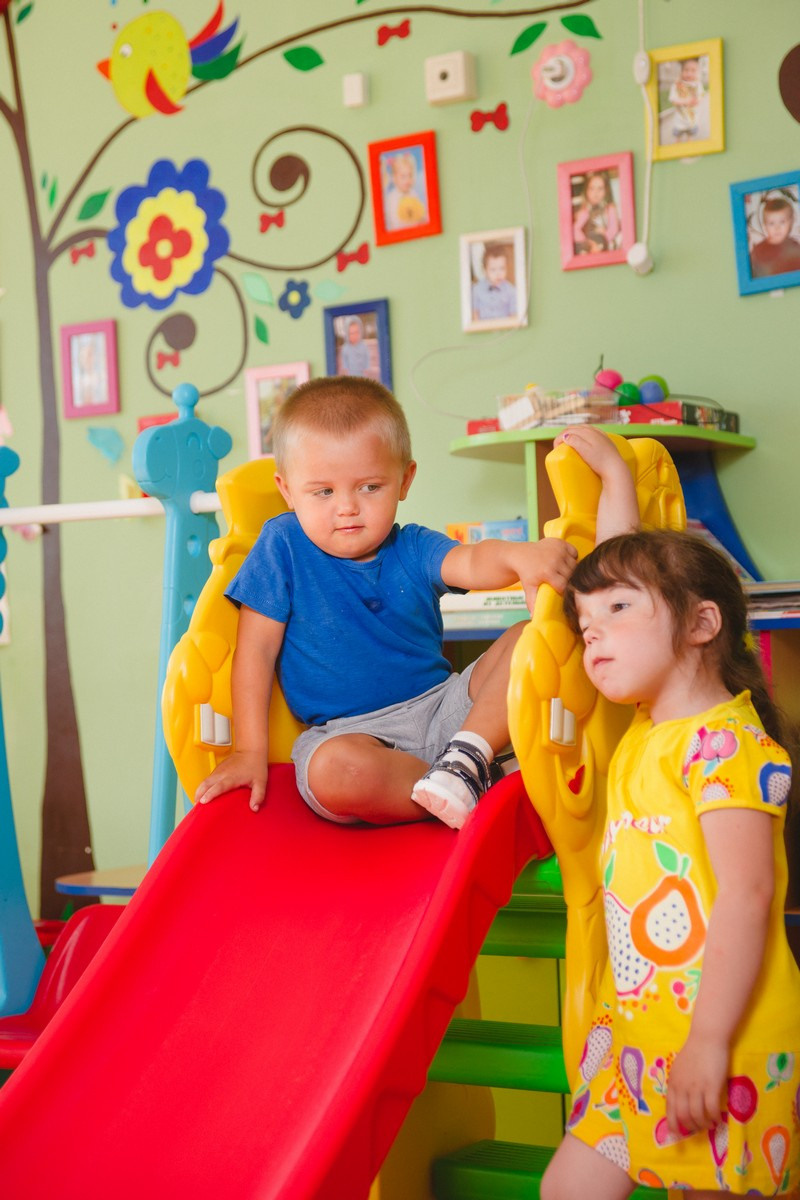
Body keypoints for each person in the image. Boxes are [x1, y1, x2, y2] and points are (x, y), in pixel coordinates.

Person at [194, 383, 635, 832]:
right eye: (323, 492)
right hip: (350, 735)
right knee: (335, 773)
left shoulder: (412, 546)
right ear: (287, 491)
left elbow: (470, 561)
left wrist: (519, 556)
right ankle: (476, 782)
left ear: (404, 480)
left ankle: (469, 759)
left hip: (447, 713)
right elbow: (255, 651)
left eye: (369, 486)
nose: (346, 508)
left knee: (529, 638)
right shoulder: (282, 546)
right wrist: (249, 752)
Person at [541, 528, 800, 1200]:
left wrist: (709, 1042)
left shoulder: (726, 745)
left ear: (701, 623)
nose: (591, 634)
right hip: (636, 1039)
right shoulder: (646, 730)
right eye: (584, 623)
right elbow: (624, 565)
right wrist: (611, 476)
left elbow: (747, 896)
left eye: (616, 611)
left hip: (721, 1036)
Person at [749, 195, 800, 278]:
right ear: (765, 225)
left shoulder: (795, 247)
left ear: (791, 222)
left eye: (782, 222)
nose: (777, 228)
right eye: (771, 223)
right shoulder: (757, 251)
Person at [572, 173, 621, 255]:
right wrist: (588, 243)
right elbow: (576, 230)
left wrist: (604, 237)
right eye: (592, 189)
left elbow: (614, 229)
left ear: (606, 190)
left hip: (607, 246)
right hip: (590, 248)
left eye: (600, 189)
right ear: (586, 190)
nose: (596, 193)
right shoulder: (584, 211)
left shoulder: (609, 209)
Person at [472, 243, 519, 321]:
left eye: (502, 268)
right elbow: (475, 313)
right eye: (493, 270)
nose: (498, 273)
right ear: (485, 270)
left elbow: (513, 314)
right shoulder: (477, 289)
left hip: (504, 328)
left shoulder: (511, 291)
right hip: (483, 329)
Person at [383, 152, 426, 231]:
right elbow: (394, 222)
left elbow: (420, 211)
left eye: (410, 175)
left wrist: (422, 219)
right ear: (394, 178)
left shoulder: (413, 193)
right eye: (403, 176)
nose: (407, 180)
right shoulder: (392, 198)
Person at [668, 57, 705, 142]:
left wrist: (697, 100)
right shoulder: (677, 85)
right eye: (686, 70)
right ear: (681, 71)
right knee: (677, 138)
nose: (689, 73)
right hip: (679, 120)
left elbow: (701, 95)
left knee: (690, 137)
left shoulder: (697, 84)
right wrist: (685, 101)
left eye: (693, 70)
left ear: (697, 72)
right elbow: (673, 99)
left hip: (692, 120)